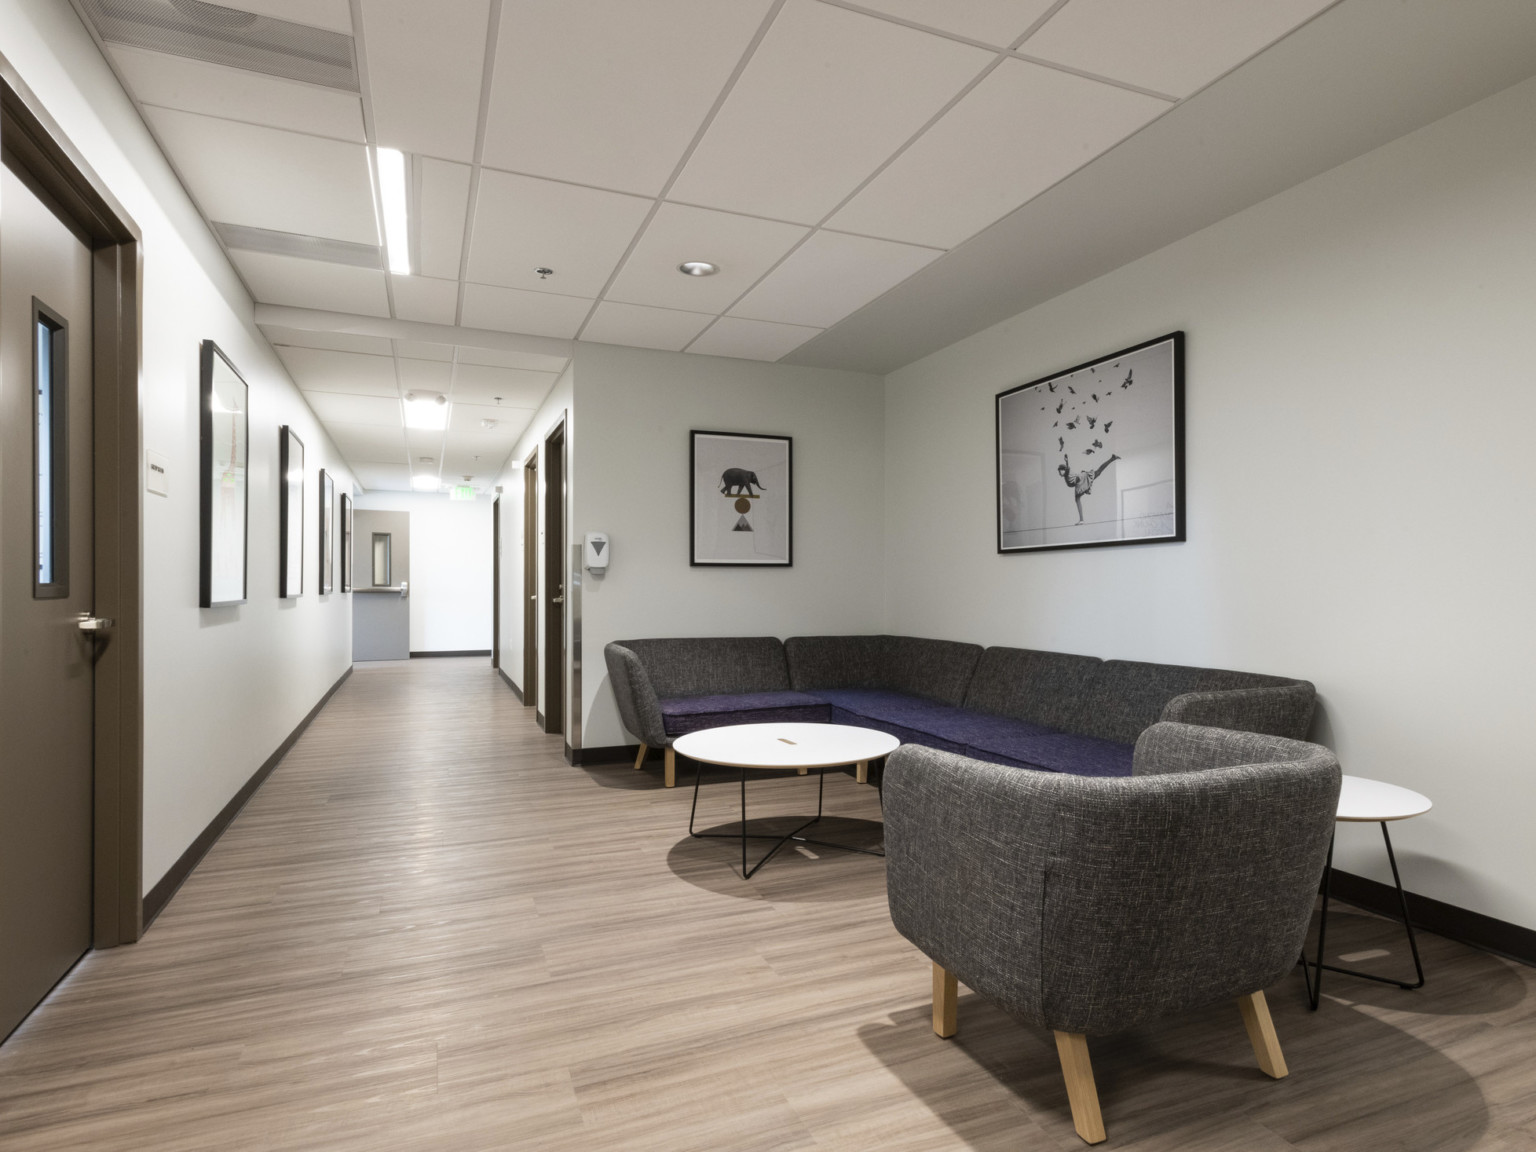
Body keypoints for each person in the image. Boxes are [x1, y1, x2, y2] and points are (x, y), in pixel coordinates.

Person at [1057, 452, 1120, 524]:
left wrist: (1067, 461)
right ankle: (1112, 458)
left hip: (1082, 479)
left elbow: (1067, 468)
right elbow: (1067, 470)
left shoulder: (1067, 472)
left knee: (1077, 499)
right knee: (1098, 472)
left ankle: (1081, 520)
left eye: (1060, 471)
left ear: (1063, 470)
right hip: (1080, 481)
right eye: (1059, 471)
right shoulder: (1066, 475)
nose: (1059, 473)